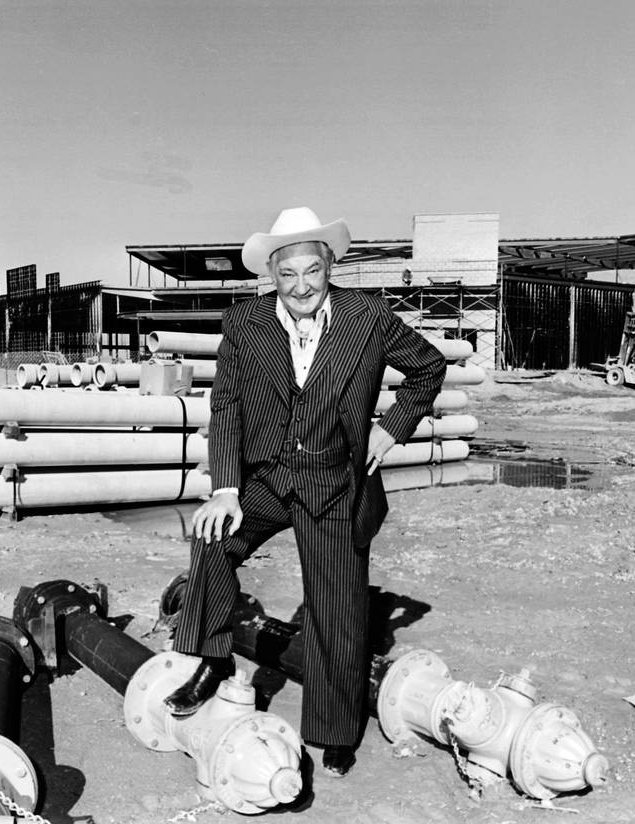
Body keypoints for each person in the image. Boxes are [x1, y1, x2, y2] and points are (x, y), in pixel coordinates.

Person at [165, 206, 446, 778]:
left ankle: (337, 730)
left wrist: (389, 429)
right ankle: (213, 662)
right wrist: (224, 489)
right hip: (266, 478)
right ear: (272, 274)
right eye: (287, 274)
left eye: (311, 272)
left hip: (335, 482)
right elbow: (227, 406)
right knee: (212, 540)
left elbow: (428, 368)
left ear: (329, 265)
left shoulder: (367, 316)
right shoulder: (244, 324)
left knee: (336, 609)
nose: (300, 287)